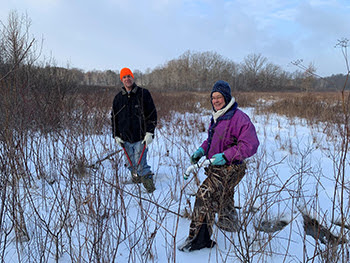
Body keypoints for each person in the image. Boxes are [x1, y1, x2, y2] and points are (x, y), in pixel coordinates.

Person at [179, 80, 259, 252]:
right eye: (213, 97)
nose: (215, 101)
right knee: (224, 194)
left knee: (204, 194)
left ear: (227, 97)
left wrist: (226, 156)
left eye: (219, 97)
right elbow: (213, 140)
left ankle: (199, 240)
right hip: (217, 167)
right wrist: (201, 150)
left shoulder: (239, 118)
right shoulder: (218, 116)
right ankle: (228, 222)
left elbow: (250, 145)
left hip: (232, 168)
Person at [111, 67, 157, 193]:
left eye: (129, 76)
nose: (127, 79)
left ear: (133, 77)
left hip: (140, 137)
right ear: (122, 80)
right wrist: (115, 135)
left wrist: (150, 132)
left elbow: (152, 114)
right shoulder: (118, 98)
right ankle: (136, 179)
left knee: (141, 163)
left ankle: (149, 187)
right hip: (125, 137)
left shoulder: (143, 94)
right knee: (130, 163)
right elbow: (113, 118)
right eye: (124, 77)